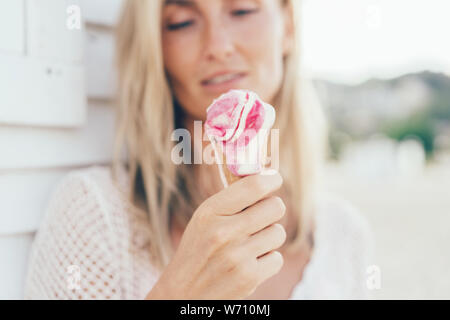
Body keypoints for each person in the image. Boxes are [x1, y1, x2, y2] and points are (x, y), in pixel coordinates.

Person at [24, 0, 373, 300]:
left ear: (288, 27)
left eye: (242, 10)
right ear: (155, 47)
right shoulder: (94, 213)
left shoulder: (344, 235)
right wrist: (178, 292)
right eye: (182, 22)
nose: (218, 46)